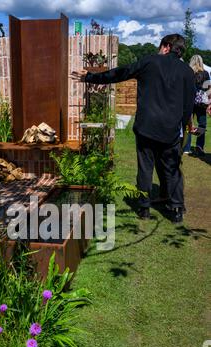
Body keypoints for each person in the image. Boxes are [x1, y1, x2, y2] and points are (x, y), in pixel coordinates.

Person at [71, 34, 196, 223]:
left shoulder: (149, 62)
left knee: (145, 167)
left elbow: (120, 73)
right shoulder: (187, 71)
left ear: (166, 46)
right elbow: (188, 105)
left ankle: (144, 209)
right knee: (172, 168)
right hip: (171, 129)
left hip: (146, 127)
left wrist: (90, 77)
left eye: (160, 45)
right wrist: (183, 126)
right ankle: (177, 209)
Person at [183, 55, 211, 157]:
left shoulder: (188, 72)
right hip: (201, 102)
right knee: (202, 124)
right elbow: (208, 90)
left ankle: (186, 147)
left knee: (188, 124)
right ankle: (199, 148)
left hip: (189, 101)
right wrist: (209, 102)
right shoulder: (205, 73)